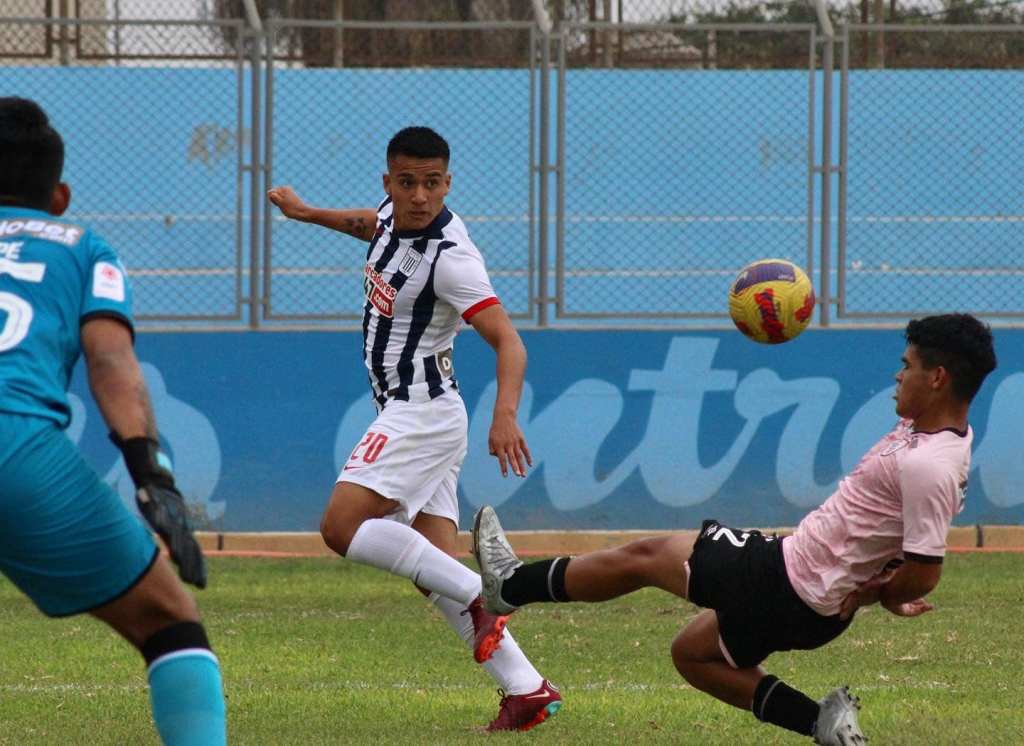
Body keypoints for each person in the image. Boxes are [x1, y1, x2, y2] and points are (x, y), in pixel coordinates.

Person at [472, 313, 997, 745]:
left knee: (648, 556)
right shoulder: (933, 433)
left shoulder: (929, 466)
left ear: (938, 378)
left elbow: (925, 571)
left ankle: (510, 585)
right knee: (693, 654)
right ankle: (822, 723)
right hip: (809, 599)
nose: (897, 376)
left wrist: (880, 594)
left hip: (788, 581)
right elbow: (904, 544)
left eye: (907, 366)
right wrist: (879, 585)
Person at [267, 126, 561, 731]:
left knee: (341, 527)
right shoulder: (389, 215)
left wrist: (505, 414)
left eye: (432, 184)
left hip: (420, 410)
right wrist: (306, 213)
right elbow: (367, 224)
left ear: (448, 183)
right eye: (407, 183)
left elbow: (509, 341)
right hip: (418, 410)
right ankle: (527, 689)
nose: (420, 196)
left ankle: (484, 591)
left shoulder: (451, 260)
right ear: (390, 183)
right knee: (430, 568)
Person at [0, 97, 226, 745]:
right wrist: (152, 476)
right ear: (60, 196)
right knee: (168, 620)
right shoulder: (81, 246)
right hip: (16, 450)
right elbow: (110, 362)